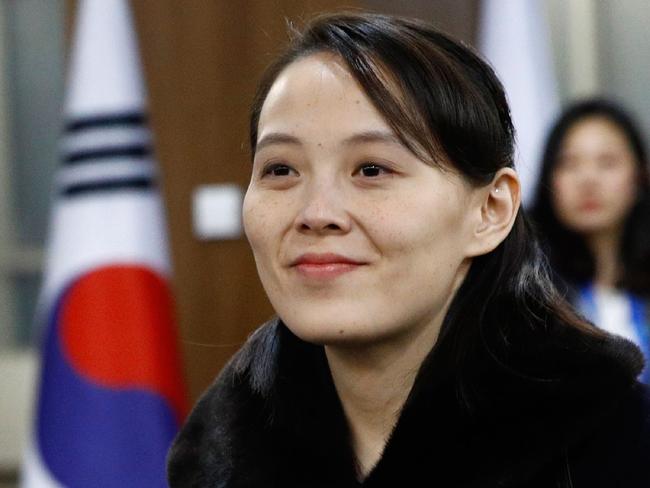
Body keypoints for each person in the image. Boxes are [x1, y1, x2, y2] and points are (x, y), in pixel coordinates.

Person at [168, 13, 650, 487]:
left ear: (491, 209)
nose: (316, 213)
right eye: (280, 170)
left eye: (372, 169)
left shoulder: (618, 442)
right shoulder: (218, 451)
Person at [530, 100, 650, 383]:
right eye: (569, 163)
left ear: (639, 177)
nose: (588, 179)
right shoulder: (525, 293)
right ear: (549, 179)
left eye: (607, 162)